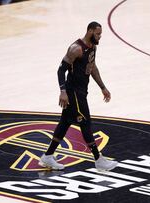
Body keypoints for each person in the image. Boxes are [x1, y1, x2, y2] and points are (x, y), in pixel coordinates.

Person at [39, 21, 118, 171]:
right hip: (73, 93)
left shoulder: (92, 47)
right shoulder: (76, 49)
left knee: (65, 123)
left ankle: (47, 156)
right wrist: (63, 91)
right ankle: (98, 160)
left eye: (100, 34)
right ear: (89, 32)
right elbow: (61, 70)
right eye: (98, 34)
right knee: (85, 123)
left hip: (82, 91)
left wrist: (103, 87)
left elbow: (92, 67)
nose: (100, 37)